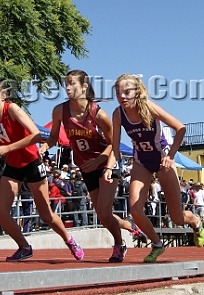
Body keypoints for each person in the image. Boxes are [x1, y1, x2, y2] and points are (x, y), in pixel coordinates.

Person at [0, 81, 84, 262]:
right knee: (0, 212)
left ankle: (69, 240)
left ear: (3, 96)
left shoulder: (12, 110)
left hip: (32, 162)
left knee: (45, 214)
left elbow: (36, 135)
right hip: (13, 166)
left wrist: (8, 148)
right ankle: (24, 247)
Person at [40, 70, 139, 263]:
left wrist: (99, 160)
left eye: (72, 84)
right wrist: (44, 146)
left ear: (84, 86)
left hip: (107, 163)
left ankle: (119, 244)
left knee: (103, 211)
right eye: (66, 84)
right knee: (104, 214)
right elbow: (53, 137)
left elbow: (114, 144)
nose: (68, 87)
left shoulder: (98, 113)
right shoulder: (60, 110)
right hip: (87, 167)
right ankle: (131, 226)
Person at [112, 73, 204, 263]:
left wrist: (171, 156)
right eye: (118, 92)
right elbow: (115, 144)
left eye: (126, 92)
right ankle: (157, 244)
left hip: (162, 160)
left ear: (137, 93)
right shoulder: (118, 114)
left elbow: (180, 128)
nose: (122, 96)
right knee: (135, 210)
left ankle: (195, 221)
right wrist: (110, 167)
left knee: (177, 218)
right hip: (141, 161)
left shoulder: (149, 107)